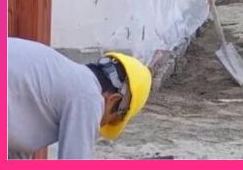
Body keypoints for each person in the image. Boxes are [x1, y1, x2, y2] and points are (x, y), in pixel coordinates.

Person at [8, 37, 152, 159]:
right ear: (113, 100)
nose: (100, 126)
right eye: (110, 120)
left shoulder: (58, 79)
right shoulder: (89, 97)